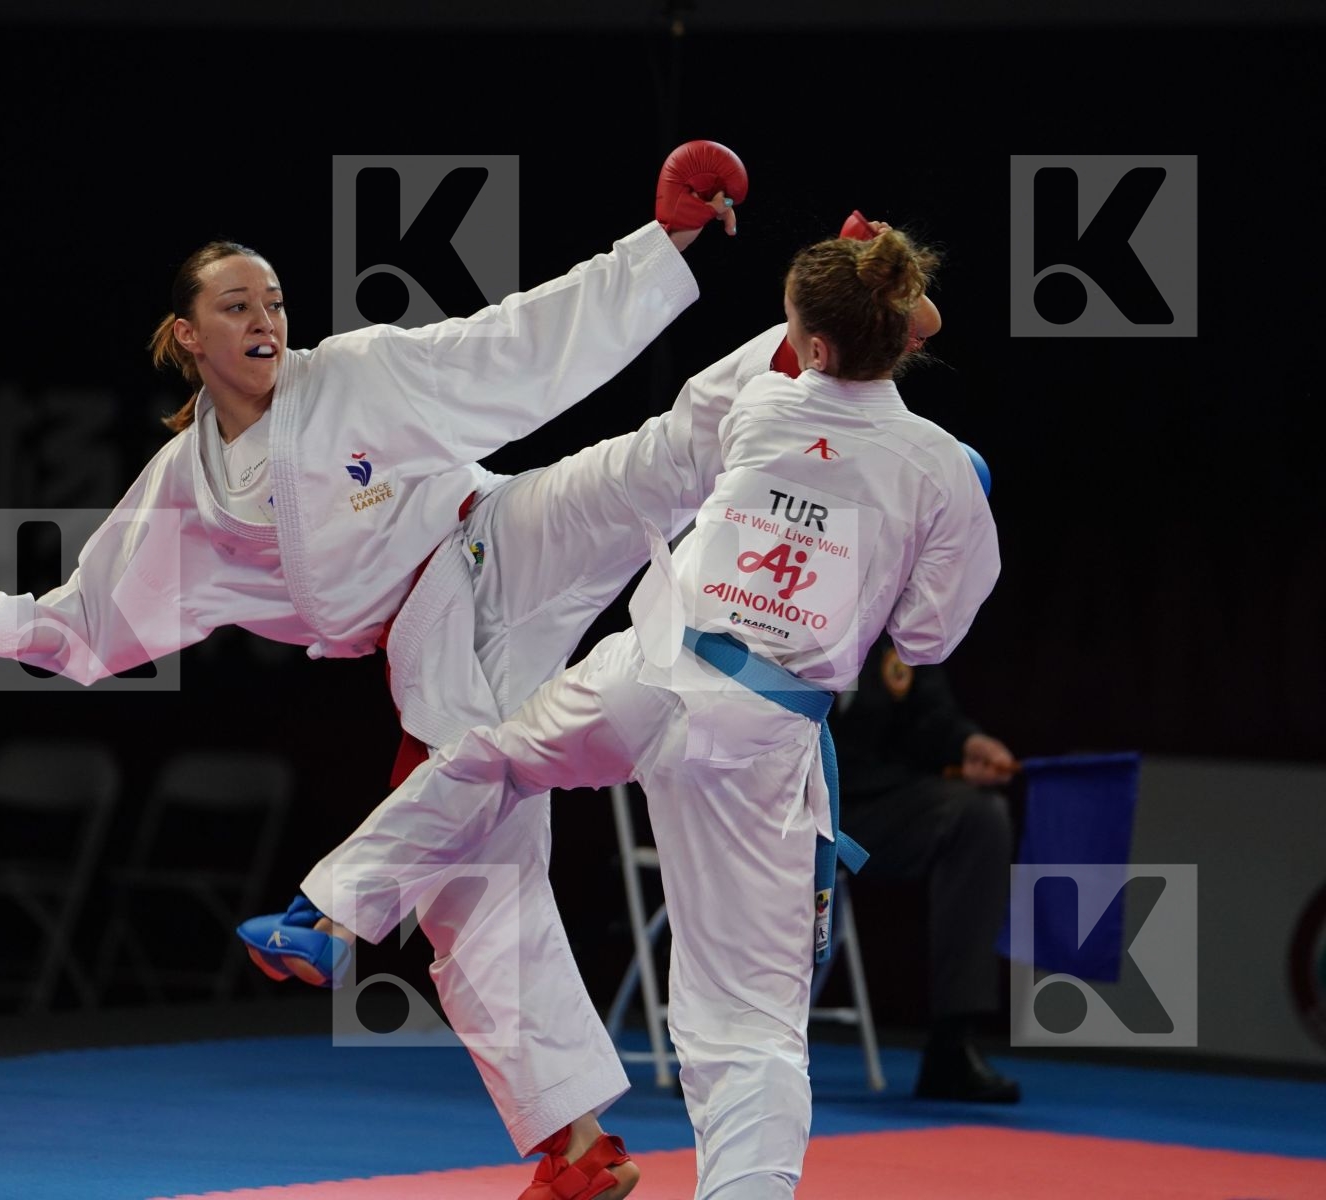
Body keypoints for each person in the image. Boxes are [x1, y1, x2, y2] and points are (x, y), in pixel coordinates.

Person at [0, 144, 749, 1195]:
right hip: (429, 639)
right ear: (189, 337)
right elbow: (96, 610)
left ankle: (824, 343)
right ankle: (575, 1147)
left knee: (644, 467)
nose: (266, 319)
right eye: (237, 305)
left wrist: (665, 242)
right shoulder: (187, 487)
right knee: (474, 883)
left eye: (276, 301)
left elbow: (514, 343)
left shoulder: (357, 373)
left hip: (496, 534)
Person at [256, 224, 999, 1198]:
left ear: (809, 340)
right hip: (764, 734)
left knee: (484, 760)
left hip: (652, 672)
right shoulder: (941, 467)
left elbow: (692, 439)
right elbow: (932, 638)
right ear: (900, 334)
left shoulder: (757, 397)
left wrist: (851, 272)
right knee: (746, 1026)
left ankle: (333, 912)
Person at [833, 633, 1021, 1102]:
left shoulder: (898, 611)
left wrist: (965, 745)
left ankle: (951, 1046)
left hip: (867, 807)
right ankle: (722, 1048)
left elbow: (930, 715)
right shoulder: (781, 584)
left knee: (979, 817)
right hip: (774, 794)